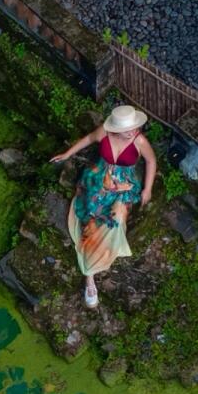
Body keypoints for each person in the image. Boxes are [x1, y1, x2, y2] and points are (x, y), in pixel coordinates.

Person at [50, 105, 156, 308]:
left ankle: (90, 271)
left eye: (134, 127)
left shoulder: (139, 140)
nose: (133, 131)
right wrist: (67, 154)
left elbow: (151, 161)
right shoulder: (105, 132)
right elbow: (89, 139)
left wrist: (147, 189)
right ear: (116, 129)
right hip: (99, 177)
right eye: (128, 129)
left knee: (115, 220)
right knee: (90, 213)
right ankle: (90, 273)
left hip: (124, 184)